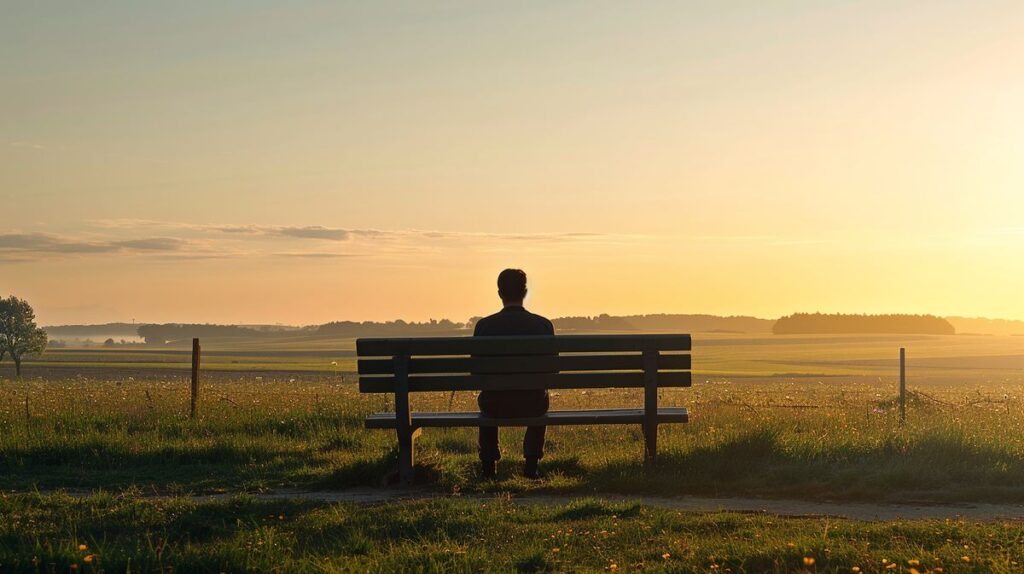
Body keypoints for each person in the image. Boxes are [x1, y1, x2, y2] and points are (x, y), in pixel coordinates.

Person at [474, 268, 554, 479]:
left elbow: (476, 370)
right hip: (532, 402)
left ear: (500, 293)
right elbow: (553, 370)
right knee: (542, 400)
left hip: (495, 404)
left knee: (487, 400)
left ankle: (488, 468)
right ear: (525, 292)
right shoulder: (543, 326)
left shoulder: (484, 327)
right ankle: (531, 465)